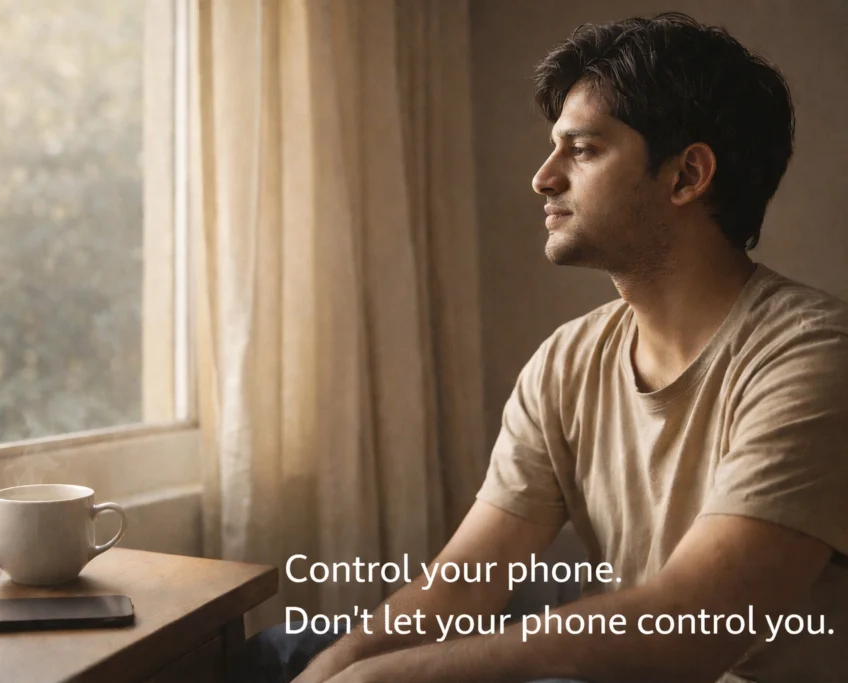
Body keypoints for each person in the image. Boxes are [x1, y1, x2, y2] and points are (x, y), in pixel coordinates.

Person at [233, 12, 848, 683]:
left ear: (686, 176)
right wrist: (338, 667)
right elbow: (463, 584)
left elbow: (688, 629)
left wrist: (383, 677)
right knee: (281, 653)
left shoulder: (813, 358)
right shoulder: (566, 362)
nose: (543, 178)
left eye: (581, 150)